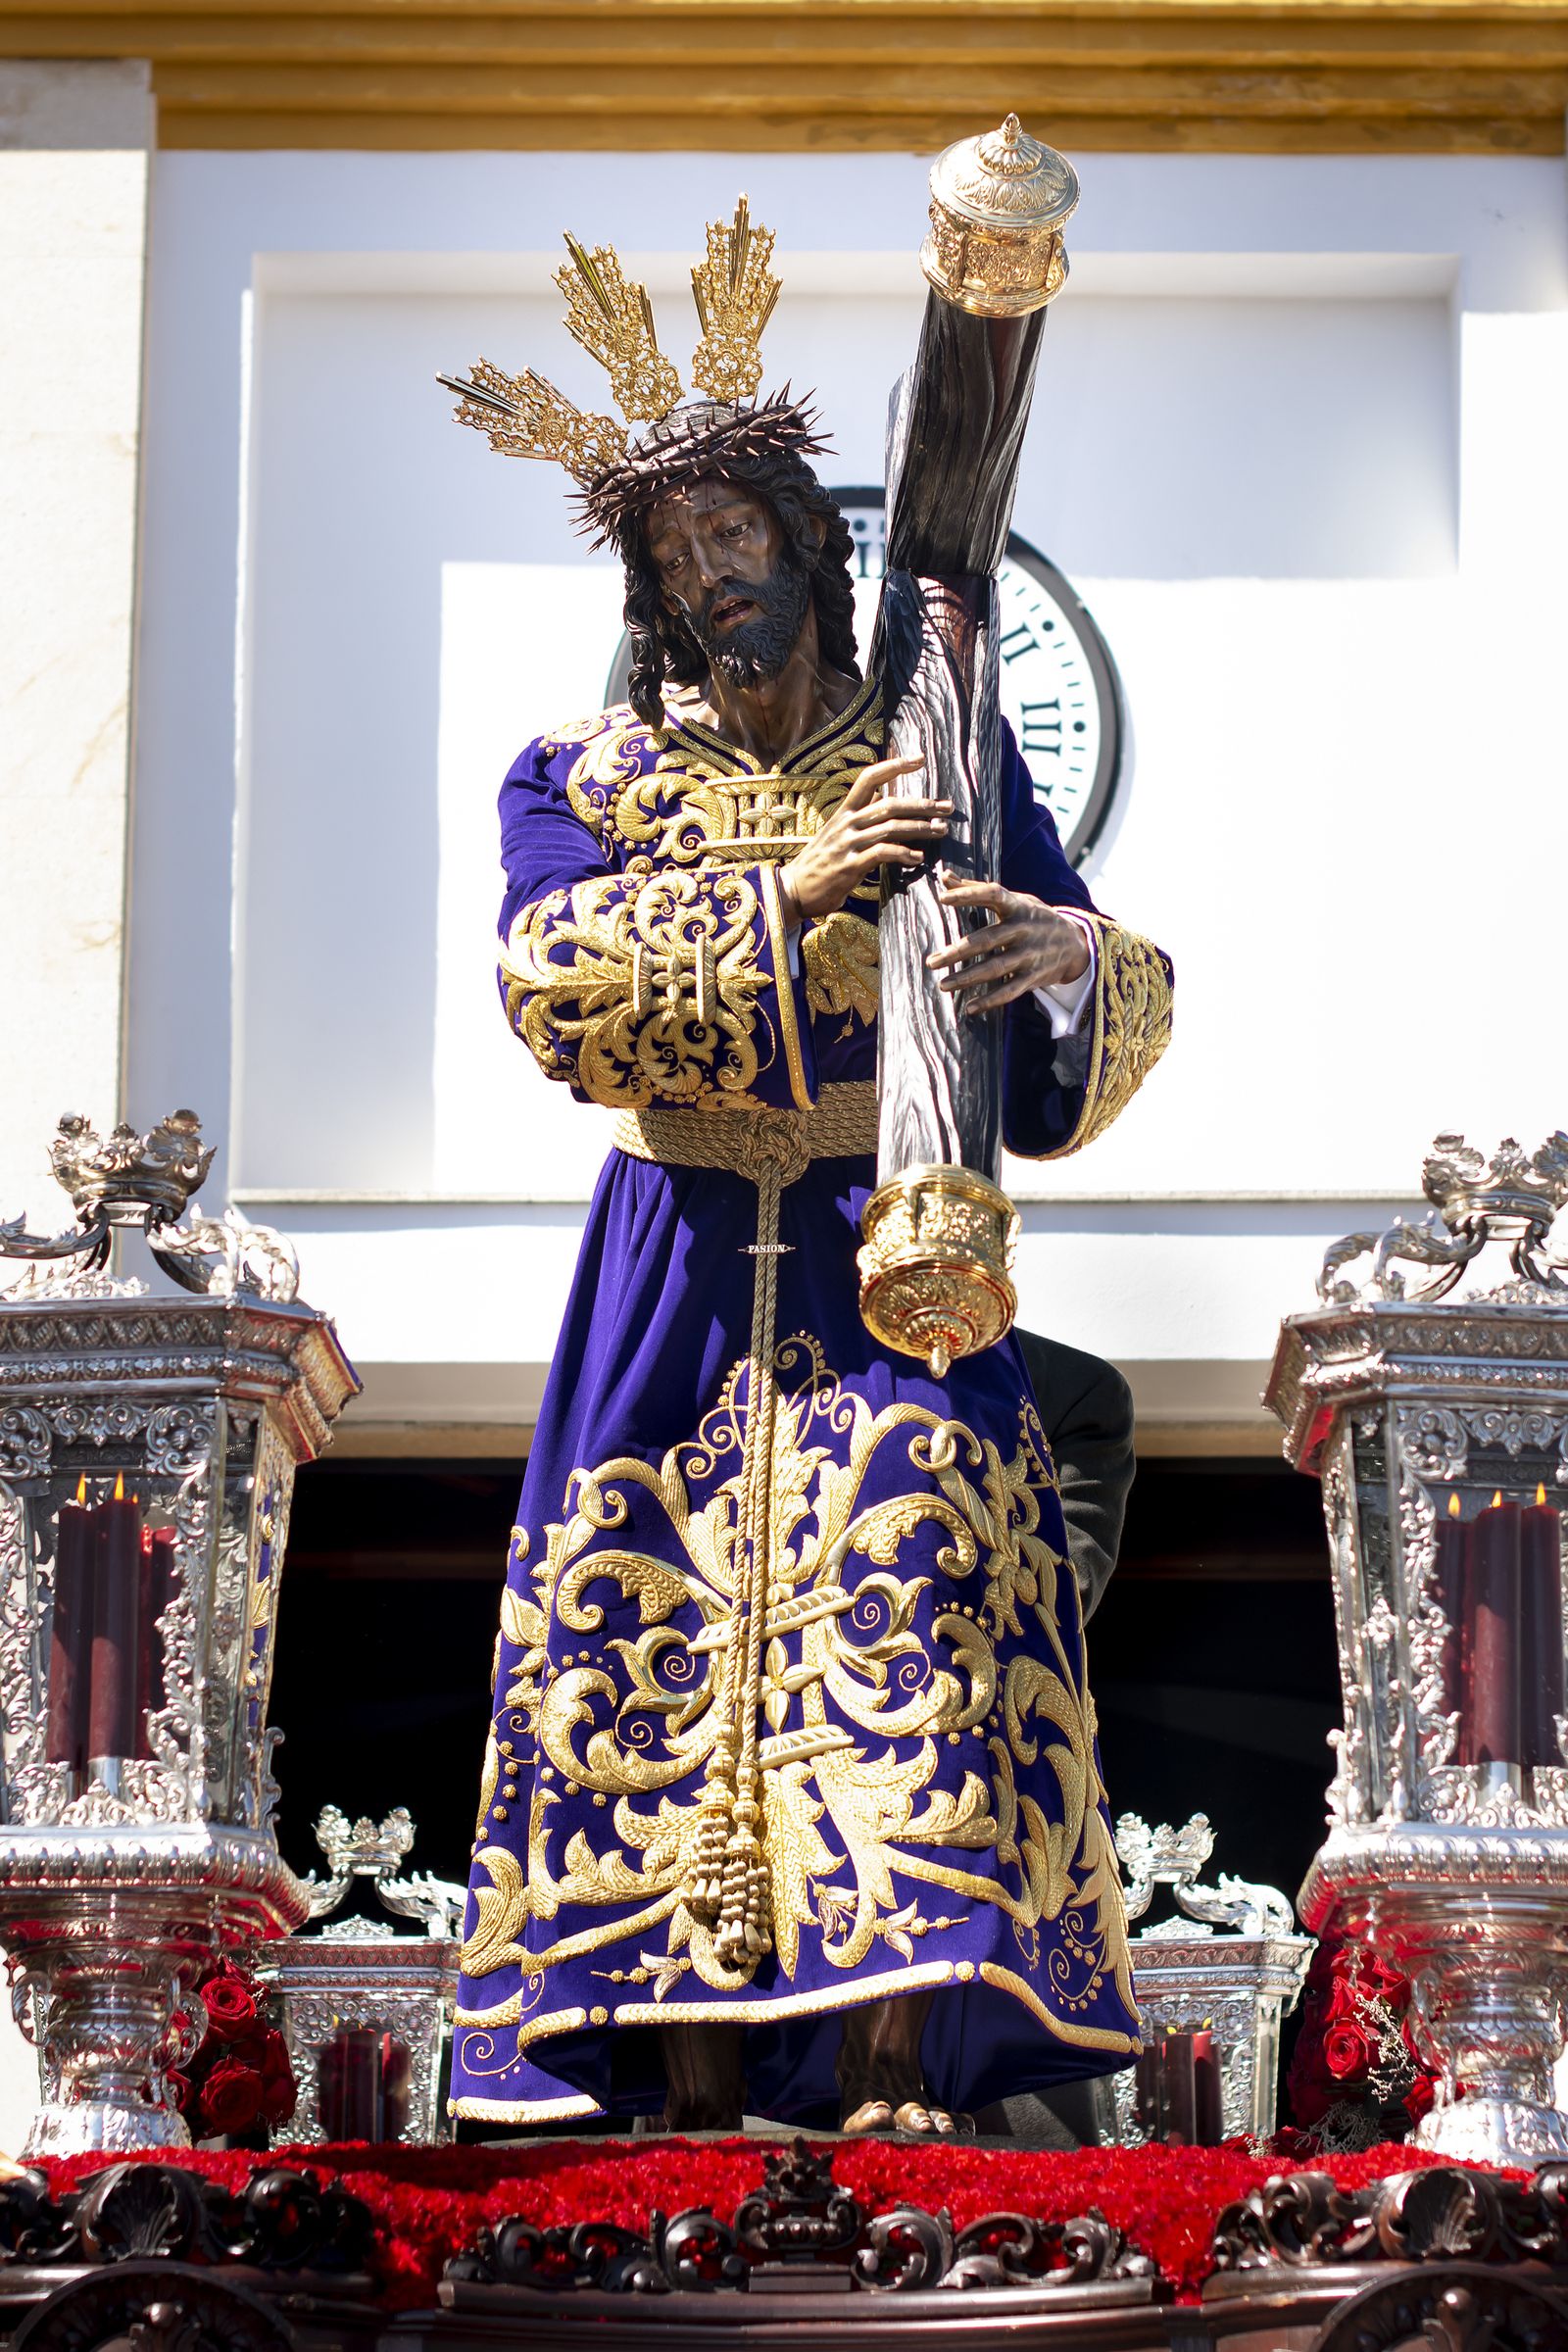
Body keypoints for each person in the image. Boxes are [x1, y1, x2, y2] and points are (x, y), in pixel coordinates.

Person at [443, 199, 1172, 2139]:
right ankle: (681, 2088)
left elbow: (1090, 977)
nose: (714, 576)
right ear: (652, 595)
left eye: (737, 537)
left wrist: (1065, 962)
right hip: (674, 1253)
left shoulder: (939, 740)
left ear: (807, 546)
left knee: (917, 1600)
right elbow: (550, 981)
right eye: (679, 555)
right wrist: (790, 896)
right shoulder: (581, 777)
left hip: (888, 1241)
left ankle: (890, 2078)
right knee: (657, 1632)